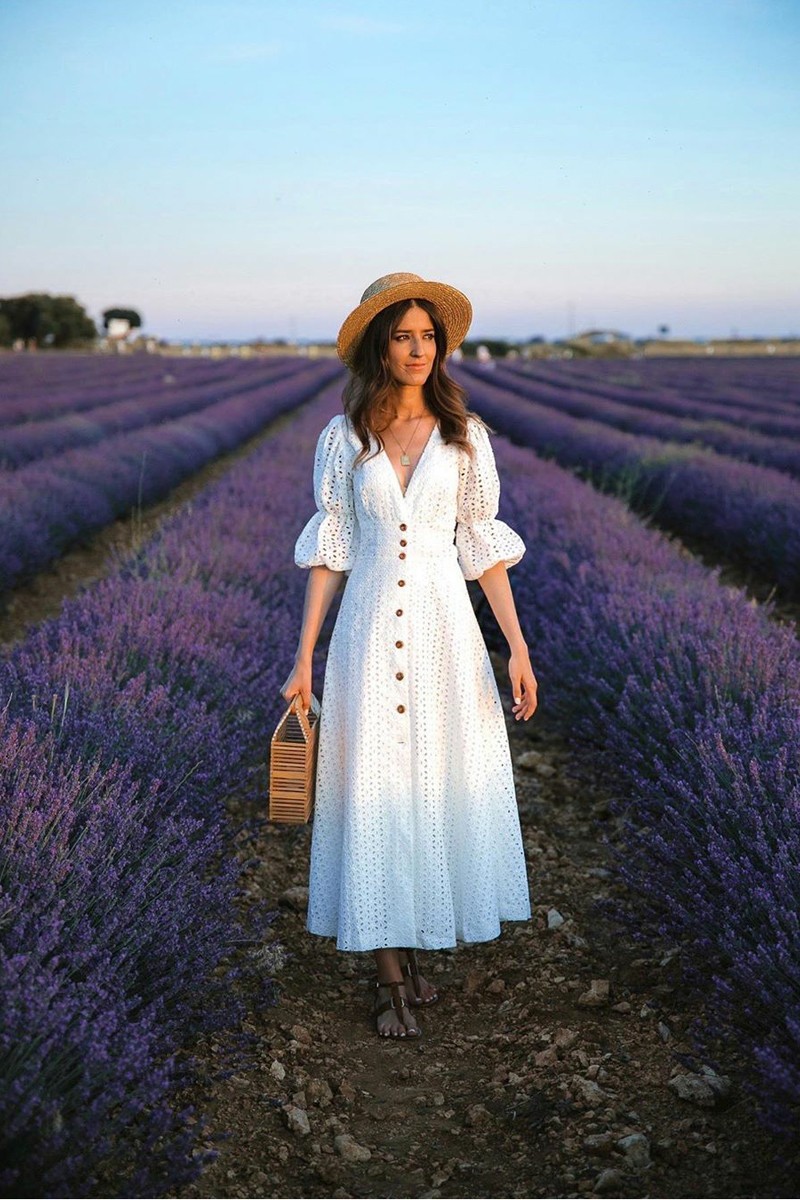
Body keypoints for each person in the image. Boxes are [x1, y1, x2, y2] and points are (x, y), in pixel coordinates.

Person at [281, 272, 538, 1040]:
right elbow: (331, 551)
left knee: (431, 781)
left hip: (443, 634)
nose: (419, 348)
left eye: (429, 335)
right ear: (378, 345)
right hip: (364, 632)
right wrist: (303, 659)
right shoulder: (343, 437)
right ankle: (388, 974)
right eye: (404, 334)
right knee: (372, 785)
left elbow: (481, 549)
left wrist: (517, 648)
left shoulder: (467, 437)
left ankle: (416, 946)